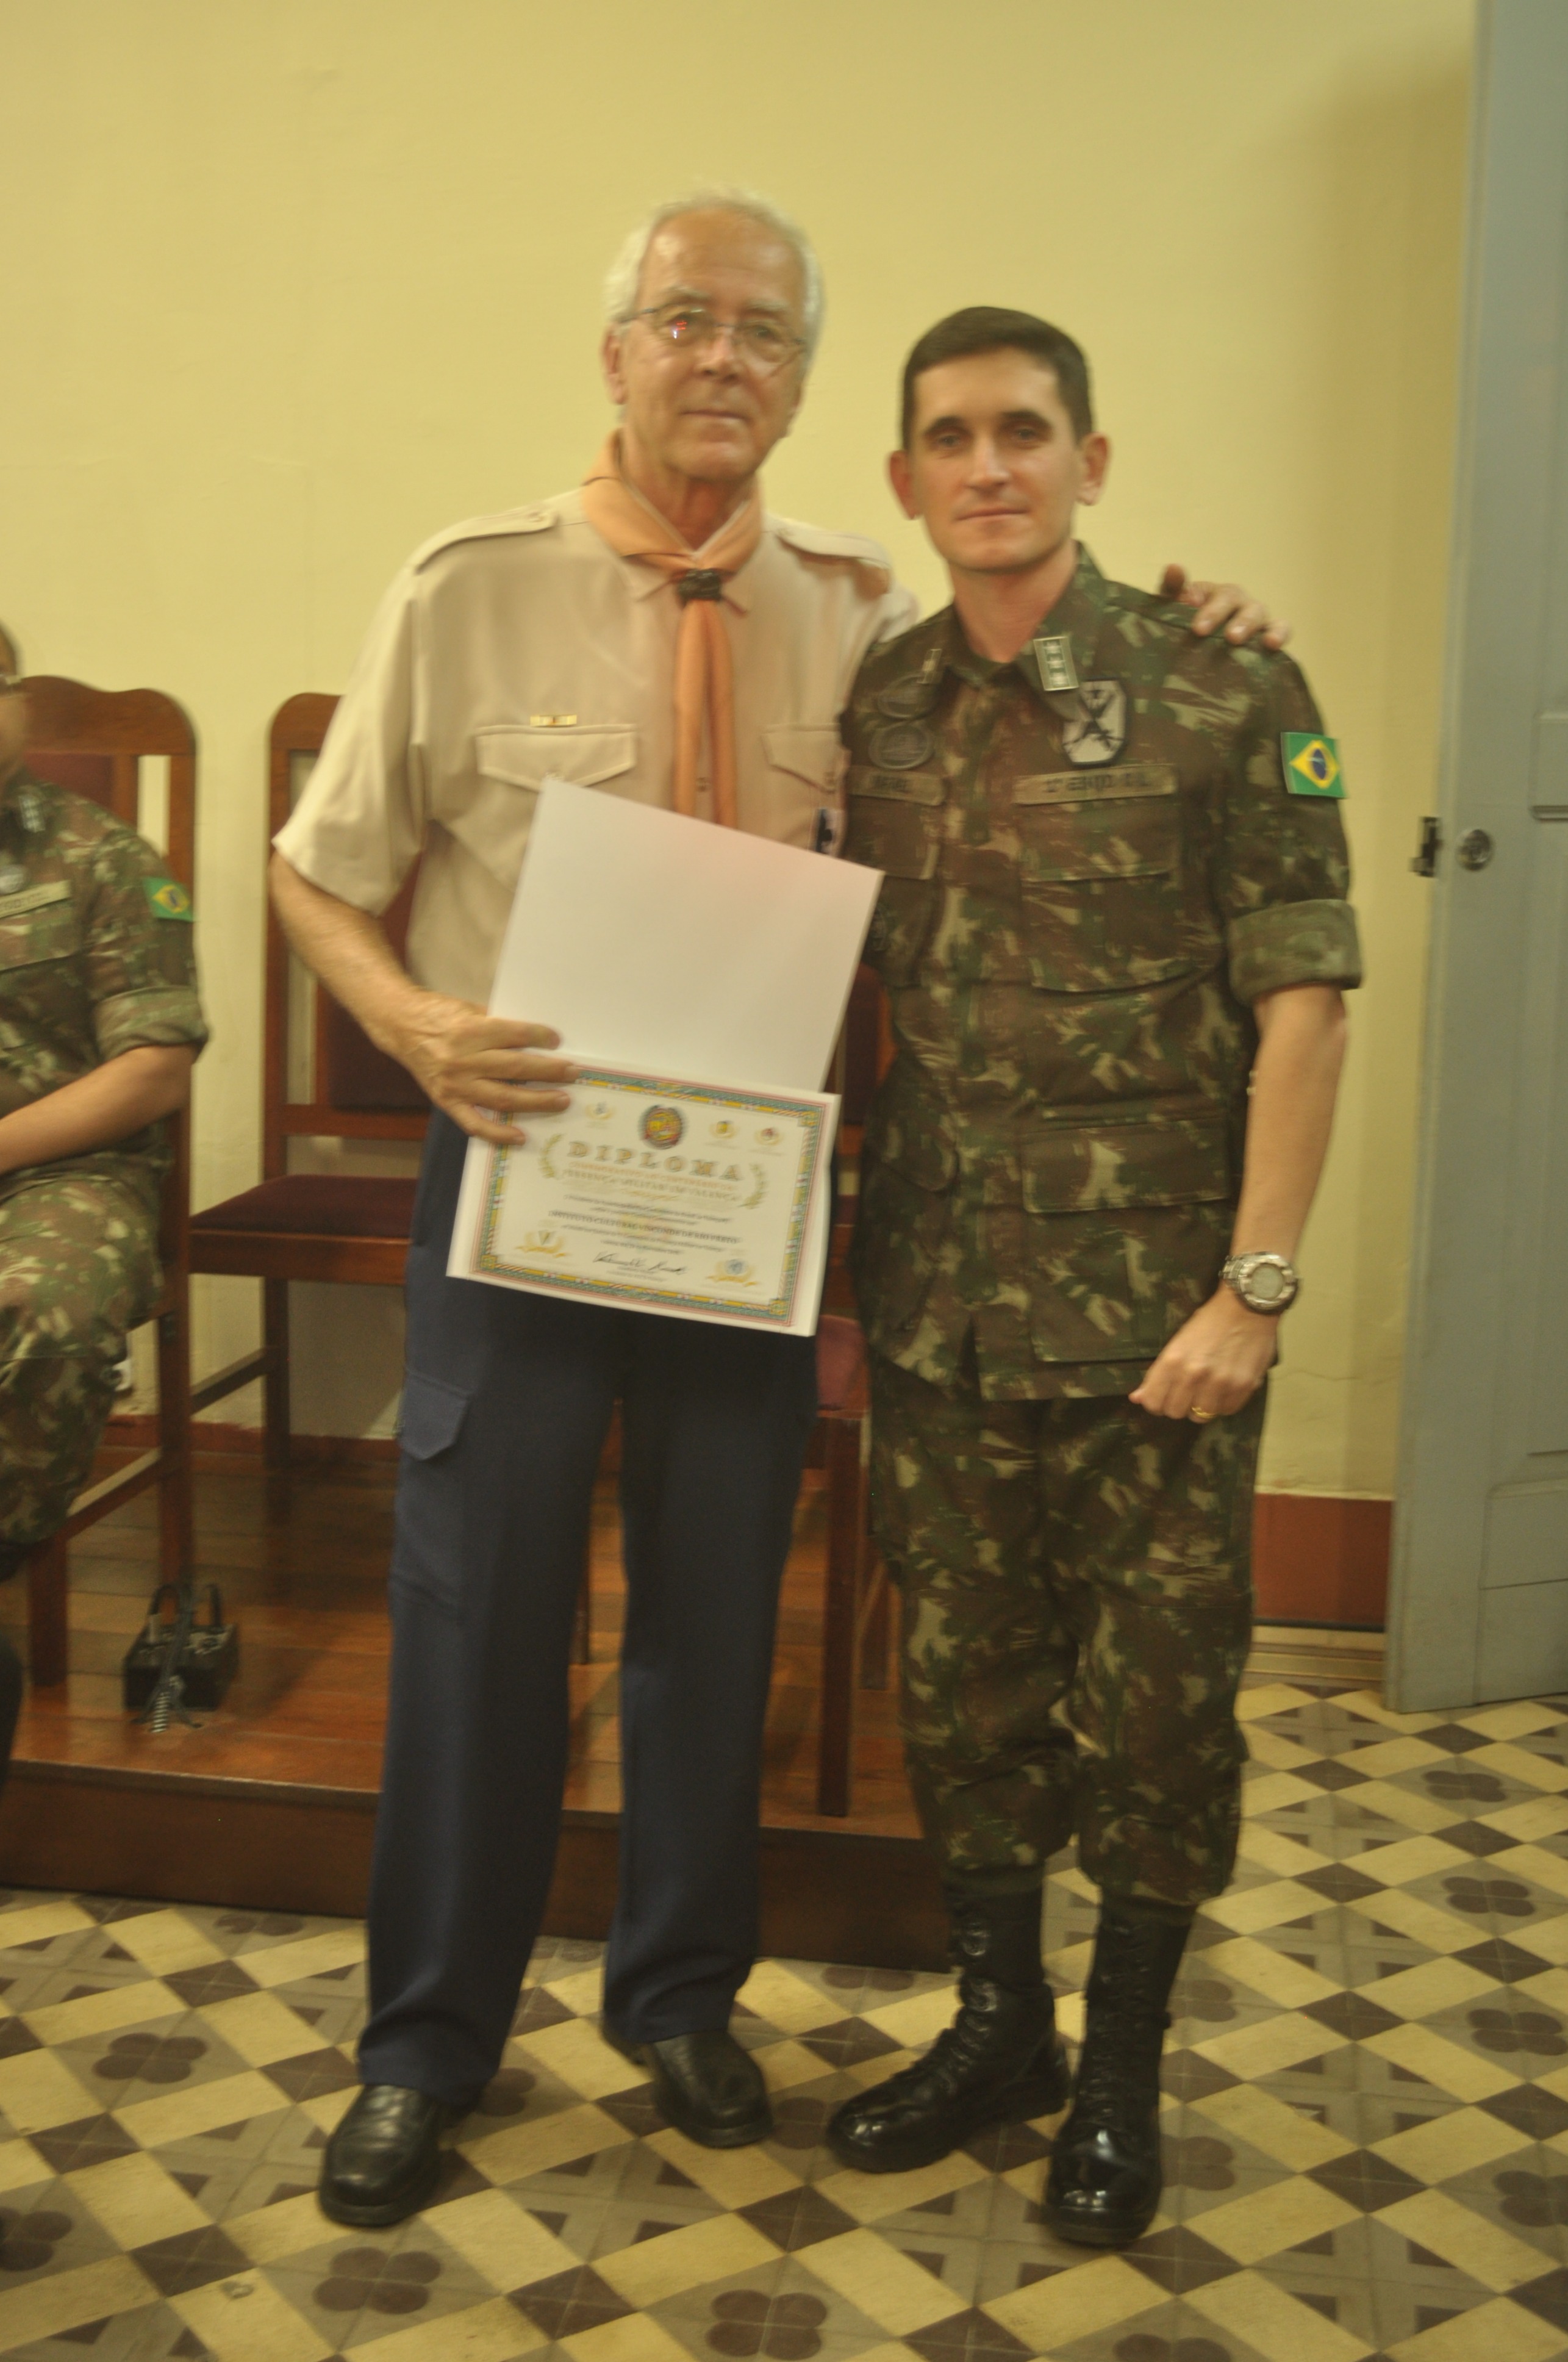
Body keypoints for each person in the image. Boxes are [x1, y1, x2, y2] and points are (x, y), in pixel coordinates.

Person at [270, 193, 1285, 2231]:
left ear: (807, 386)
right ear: (616, 354)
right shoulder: (465, 589)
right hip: (522, 1168)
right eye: (683, 319)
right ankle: (426, 2045)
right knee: (480, 1615)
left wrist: (1210, 622)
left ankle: (678, 2000)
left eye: (763, 330)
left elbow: (1042, 674)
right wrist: (411, 1026)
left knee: (720, 1610)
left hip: (749, 1191)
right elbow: (315, 873)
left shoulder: (857, 616)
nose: (721, 356)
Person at [827, 309, 1359, 2250]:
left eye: (1024, 430)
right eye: (950, 437)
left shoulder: (1231, 685)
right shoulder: (882, 704)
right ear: (904, 479)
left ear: (1090, 460)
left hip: (1160, 1327)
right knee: (964, 1696)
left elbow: (1303, 1004)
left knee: (1156, 1714)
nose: (988, 466)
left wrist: (1255, 1293)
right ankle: (1001, 2032)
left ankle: (1120, 2070)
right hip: (942, 1307)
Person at [0, 632, 206, 1787]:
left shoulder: (104, 857)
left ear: (18, 707)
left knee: (41, 1305)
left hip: (69, 1171)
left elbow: (152, 1071)